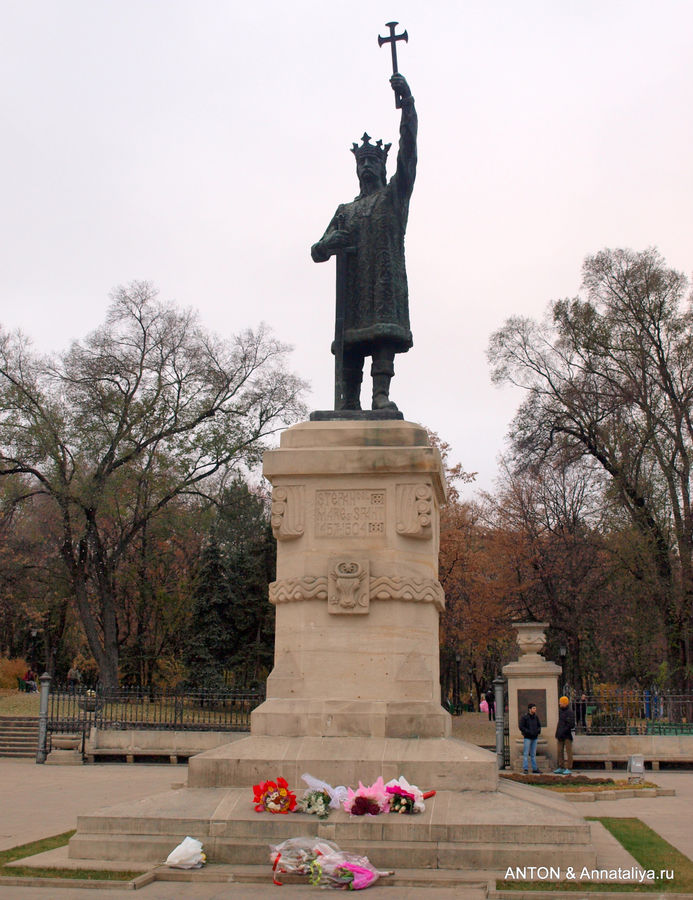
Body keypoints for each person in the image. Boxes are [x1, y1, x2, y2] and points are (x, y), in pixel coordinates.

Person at [311, 73, 416, 412]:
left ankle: (380, 396)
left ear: (383, 166)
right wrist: (330, 241)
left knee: (382, 335)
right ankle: (350, 401)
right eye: (363, 162)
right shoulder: (346, 211)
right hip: (354, 297)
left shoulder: (393, 197)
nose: (368, 165)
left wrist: (409, 107)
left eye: (373, 160)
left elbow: (409, 155)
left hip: (383, 289)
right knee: (351, 346)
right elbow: (317, 251)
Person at [554, 695, 576, 774]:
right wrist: (558, 733)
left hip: (567, 735)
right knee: (559, 751)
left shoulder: (570, 712)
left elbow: (571, 724)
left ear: (565, 703)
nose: (559, 704)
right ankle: (561, 766)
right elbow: (560, 724)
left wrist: (564, 730)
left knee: (568, 752)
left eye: (561, 703)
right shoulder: (561, 711)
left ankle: (569, 767)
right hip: (560, 735)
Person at [519, 703, 541, 774]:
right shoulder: (525, 717)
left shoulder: (536, 717)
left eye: (535, 708)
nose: (535, 710)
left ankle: (535, 768)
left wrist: (537, 731)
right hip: (527, 737)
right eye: (533, 708)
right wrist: (527, 732)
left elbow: (539, 726)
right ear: (530, 709)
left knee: (533, 754)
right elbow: (521, 727)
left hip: (534, 737)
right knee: (526, 753)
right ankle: (525, 768)